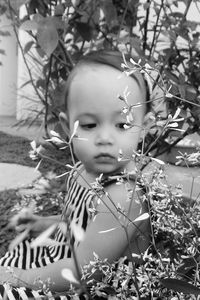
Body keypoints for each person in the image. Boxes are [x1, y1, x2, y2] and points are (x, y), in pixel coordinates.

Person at [0, 50, 151, 299]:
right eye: (90, 125)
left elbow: (85, 272)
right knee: (22, 253)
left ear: (143, 128)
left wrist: (17, 276)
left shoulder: (124, 195)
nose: (104, 138)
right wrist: (43, 223)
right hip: (64, 258)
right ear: (66, 126)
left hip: (89, 285)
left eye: (123, 125)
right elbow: (78, 227)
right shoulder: (81, 170)